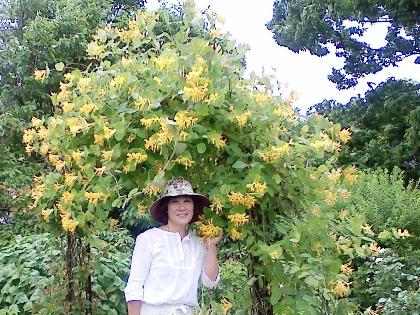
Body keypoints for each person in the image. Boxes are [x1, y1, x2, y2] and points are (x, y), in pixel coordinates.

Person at [124, 178, 222, 315]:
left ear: (194, 207)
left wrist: (211, 246)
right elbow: (135, 285)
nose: (182, 207)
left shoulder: (198, 243)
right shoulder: (149, 239)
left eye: (187, 201)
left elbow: (210, 282)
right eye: (175, 202)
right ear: (167, 208)